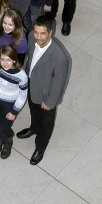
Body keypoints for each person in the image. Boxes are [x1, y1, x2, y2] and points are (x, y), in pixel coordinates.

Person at [16, 15, 71, 165]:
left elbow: (59, 83)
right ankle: (34, 128)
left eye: (42, 33)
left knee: (46, 124)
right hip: (32, 87)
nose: (38, 37)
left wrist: (49, 102)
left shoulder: (60, 58)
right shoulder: (31, 38)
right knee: (34, 111)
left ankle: (40, 147)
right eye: (36, 32)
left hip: (47, 96)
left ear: (50, 32)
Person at [0, 46, 28, 160]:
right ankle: (1, 136)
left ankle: (8, 140)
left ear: (14, 60)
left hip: (10, 103)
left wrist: (14, 111)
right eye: (2, 59)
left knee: (5, 125)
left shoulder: (21, 76)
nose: (5, 63)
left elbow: (22, 96)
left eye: (8, 60)